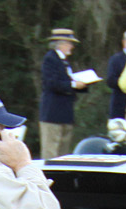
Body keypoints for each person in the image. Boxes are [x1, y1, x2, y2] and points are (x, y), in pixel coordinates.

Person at [37, 29, 85, 160]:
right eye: (70, 43)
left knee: (63, 154)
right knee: (51, 152)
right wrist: (74, 85)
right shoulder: (50, 59)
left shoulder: (64, 61)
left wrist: (82, 84)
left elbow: (65, 82)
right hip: (53, 114)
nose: (72, 47)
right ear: (61, 44)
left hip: (65, 113)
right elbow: (52, 83)